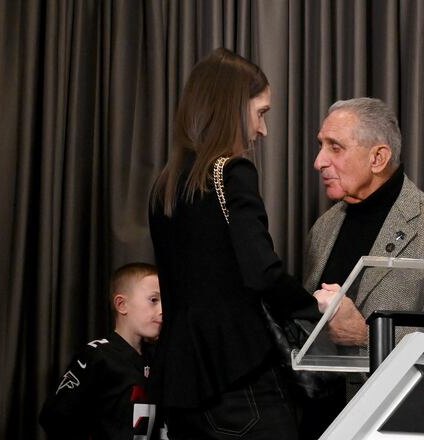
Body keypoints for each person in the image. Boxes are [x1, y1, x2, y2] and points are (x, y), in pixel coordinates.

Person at [148, 48, 327, 440]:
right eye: (261, 112)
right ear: (231, 106)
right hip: (237, 376)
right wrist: (318, 310)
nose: (263, 130)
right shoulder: (232, 171)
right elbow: (262, 271)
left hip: (180, 382)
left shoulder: (165, 184)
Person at [304, 97, 424, 437]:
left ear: (378, 157)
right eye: (320, 146)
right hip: (318, 423)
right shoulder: (322, 229)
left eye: (334, 148)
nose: (318, 161)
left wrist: (369, 335)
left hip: (394, 425)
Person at [40, 263, 163, 439]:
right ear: (122, 305)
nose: (162, 310)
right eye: (153, 300)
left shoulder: (158, 357)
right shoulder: (98, 356)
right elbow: (55, 417)